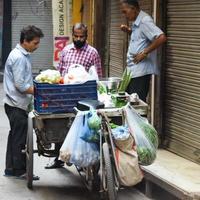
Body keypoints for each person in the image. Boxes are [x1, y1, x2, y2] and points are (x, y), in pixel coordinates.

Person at [45, 23, 102, 169]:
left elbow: (97, 76)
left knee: (85, 126)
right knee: (61, 123)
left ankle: (83, 156)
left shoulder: (93, 53)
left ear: (86, 36)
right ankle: (59, 158)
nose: (78, 39)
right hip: (65, 95)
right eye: (76, 36)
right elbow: (61, 71)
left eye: (81, 36)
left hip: (84, 96)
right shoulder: (65, 50)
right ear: (72, 35)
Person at [3, 25, 44, 179]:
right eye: (35, 43)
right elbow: (20, 85)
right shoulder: (19, 57)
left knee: (15, 135)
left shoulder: (23, 54)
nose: (37, 46)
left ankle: (10, 169)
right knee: (20, 139)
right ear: (25, 41)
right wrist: (40, 90)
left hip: (15, 103)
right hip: (16, 104)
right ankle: (20, 171)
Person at [120, 0, 167, 102]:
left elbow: (161, 37)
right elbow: (141, 37)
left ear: (133, 8)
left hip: (140, 72)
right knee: (126, 101)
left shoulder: (144, 21)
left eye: (125, 11)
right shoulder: (136, 21)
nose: (124, 15)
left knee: (137, 105)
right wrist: (128, 31)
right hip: (131, 70)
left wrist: (145, 52)